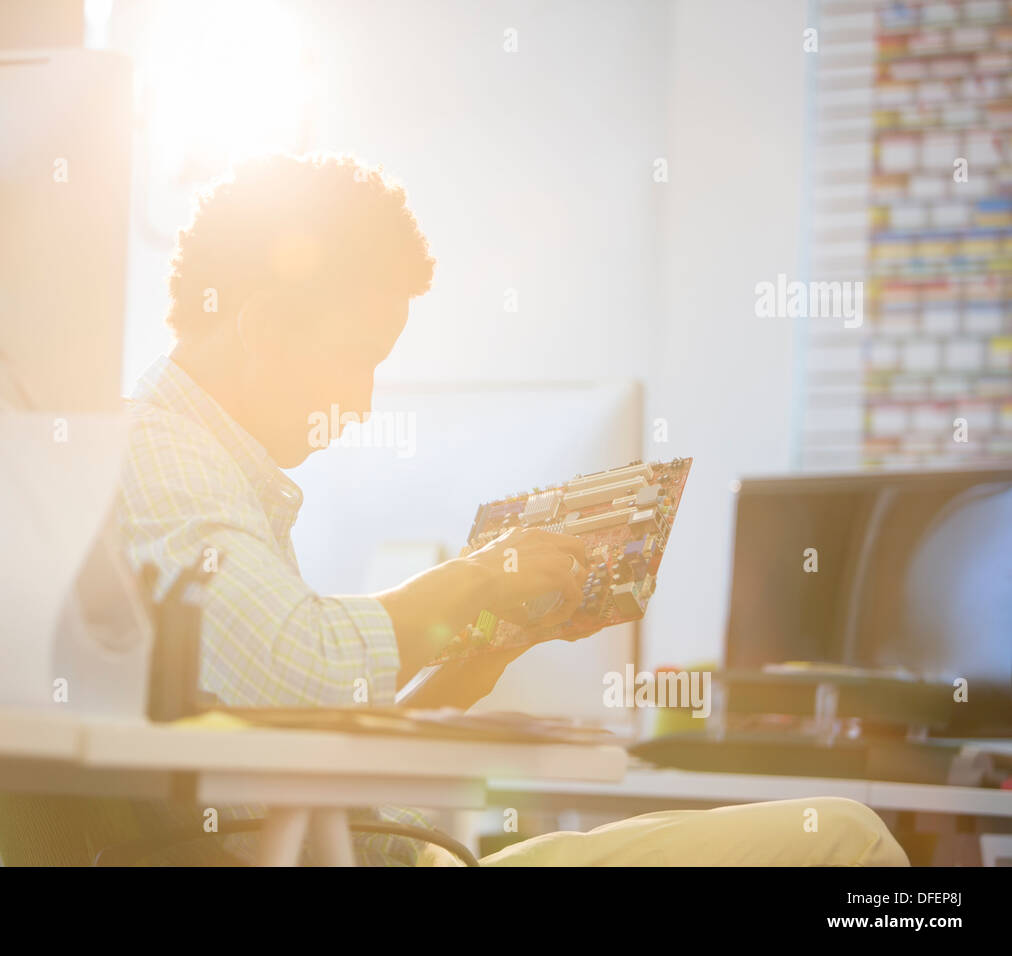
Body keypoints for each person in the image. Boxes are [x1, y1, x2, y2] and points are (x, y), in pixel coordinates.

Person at [116, 153, 908, 866]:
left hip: (374, 853)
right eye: (357, 358)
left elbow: (301, 737)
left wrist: (463, 671)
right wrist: (472, 582)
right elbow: (304, 665)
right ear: (261, 326)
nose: (359, 405)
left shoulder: (200, 466)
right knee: (849, 839)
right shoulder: (161, 456)